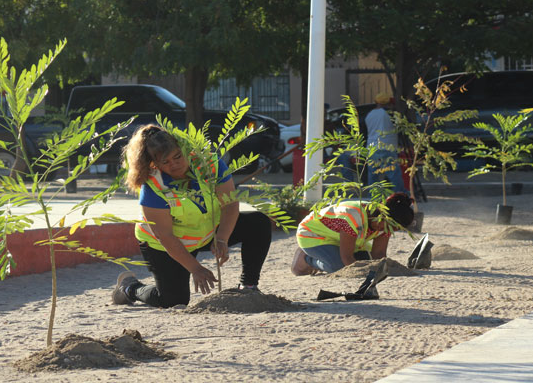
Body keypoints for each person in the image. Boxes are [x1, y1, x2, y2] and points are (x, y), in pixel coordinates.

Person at [112, 124, 272, 308]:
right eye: (166, 162)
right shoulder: (153, 187)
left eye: (177, 156)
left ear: (185, 150)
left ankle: (248, 286)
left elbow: (230, 204)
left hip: (206, 233)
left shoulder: (209, 164)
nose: (174, 164)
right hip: (165, 245)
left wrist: (221, 239)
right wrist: (196, 268)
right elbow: (165, 236)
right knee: (173, 301)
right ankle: (130, 288)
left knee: (258, 222)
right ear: (154, 164)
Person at [291, 193, 414, 275]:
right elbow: (347, 258)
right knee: (339, 267)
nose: (389, 231)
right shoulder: (353, 216)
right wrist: (361, 274)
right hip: (313, 235)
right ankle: (306, 258)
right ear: (383, 216)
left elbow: (378, 254)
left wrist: (386, 269)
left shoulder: (386, 224)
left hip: (342, 240)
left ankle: (325, 256)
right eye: (391, 227)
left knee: (366, 261)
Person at [366, 92, 407, 194]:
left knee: (373, 175)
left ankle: (374, 197)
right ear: (388, 103)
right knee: (393, 174)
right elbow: (401, 126)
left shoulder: (369, 115)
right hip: (386, 147)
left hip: (371, 148)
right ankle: (400, 195)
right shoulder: (389, 114)